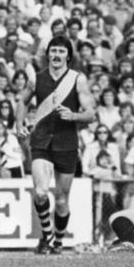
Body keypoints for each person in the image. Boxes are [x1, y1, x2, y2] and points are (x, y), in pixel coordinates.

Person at [15, 36, 95, 255]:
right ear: (47, 54)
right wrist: (19, 124)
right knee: (40, 192)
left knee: (61, 201)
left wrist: (73, 115)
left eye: (61, 51)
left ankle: (58, 242)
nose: (56, 55)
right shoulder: (37, 79)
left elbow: (91, 114)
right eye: (53, 51)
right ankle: (47, 236)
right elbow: (21, 100)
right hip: (41, 140)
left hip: (67, 143)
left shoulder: (78, 79)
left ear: (68, 56)